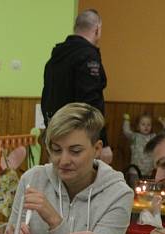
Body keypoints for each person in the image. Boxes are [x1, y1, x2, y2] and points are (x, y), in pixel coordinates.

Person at [0, 103, 132, 234]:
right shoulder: (32, 180)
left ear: (97, 149)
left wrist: (54, 220)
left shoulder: (118, 195)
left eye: (75, 151)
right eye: (56, 150)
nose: (63, 160)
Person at [41, 9, 112, 164]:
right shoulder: (87, 56)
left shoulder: (55, 58)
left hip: (55, 136)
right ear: (97, 29)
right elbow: (91, 101)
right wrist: (103, 142)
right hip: (79, 141)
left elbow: (46, 97)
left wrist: (50, 132)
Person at [122, 112, 156, 177]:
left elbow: (163, 137)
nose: (146, 127)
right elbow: (126, 131)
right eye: (143, 124)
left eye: (148, 125)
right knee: (134, 186)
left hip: (149, 171)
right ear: (138, 126)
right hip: (135, 171)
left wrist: (164, 124)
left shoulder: (153, 137)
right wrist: (126, 120)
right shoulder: (135, 136)